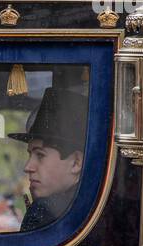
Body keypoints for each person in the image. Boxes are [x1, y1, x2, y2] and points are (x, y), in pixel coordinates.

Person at [8, 87, 88, 232]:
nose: (28, 167)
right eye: (29, 155)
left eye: (40, 155)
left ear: (76, 162)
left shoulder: (43, 211)